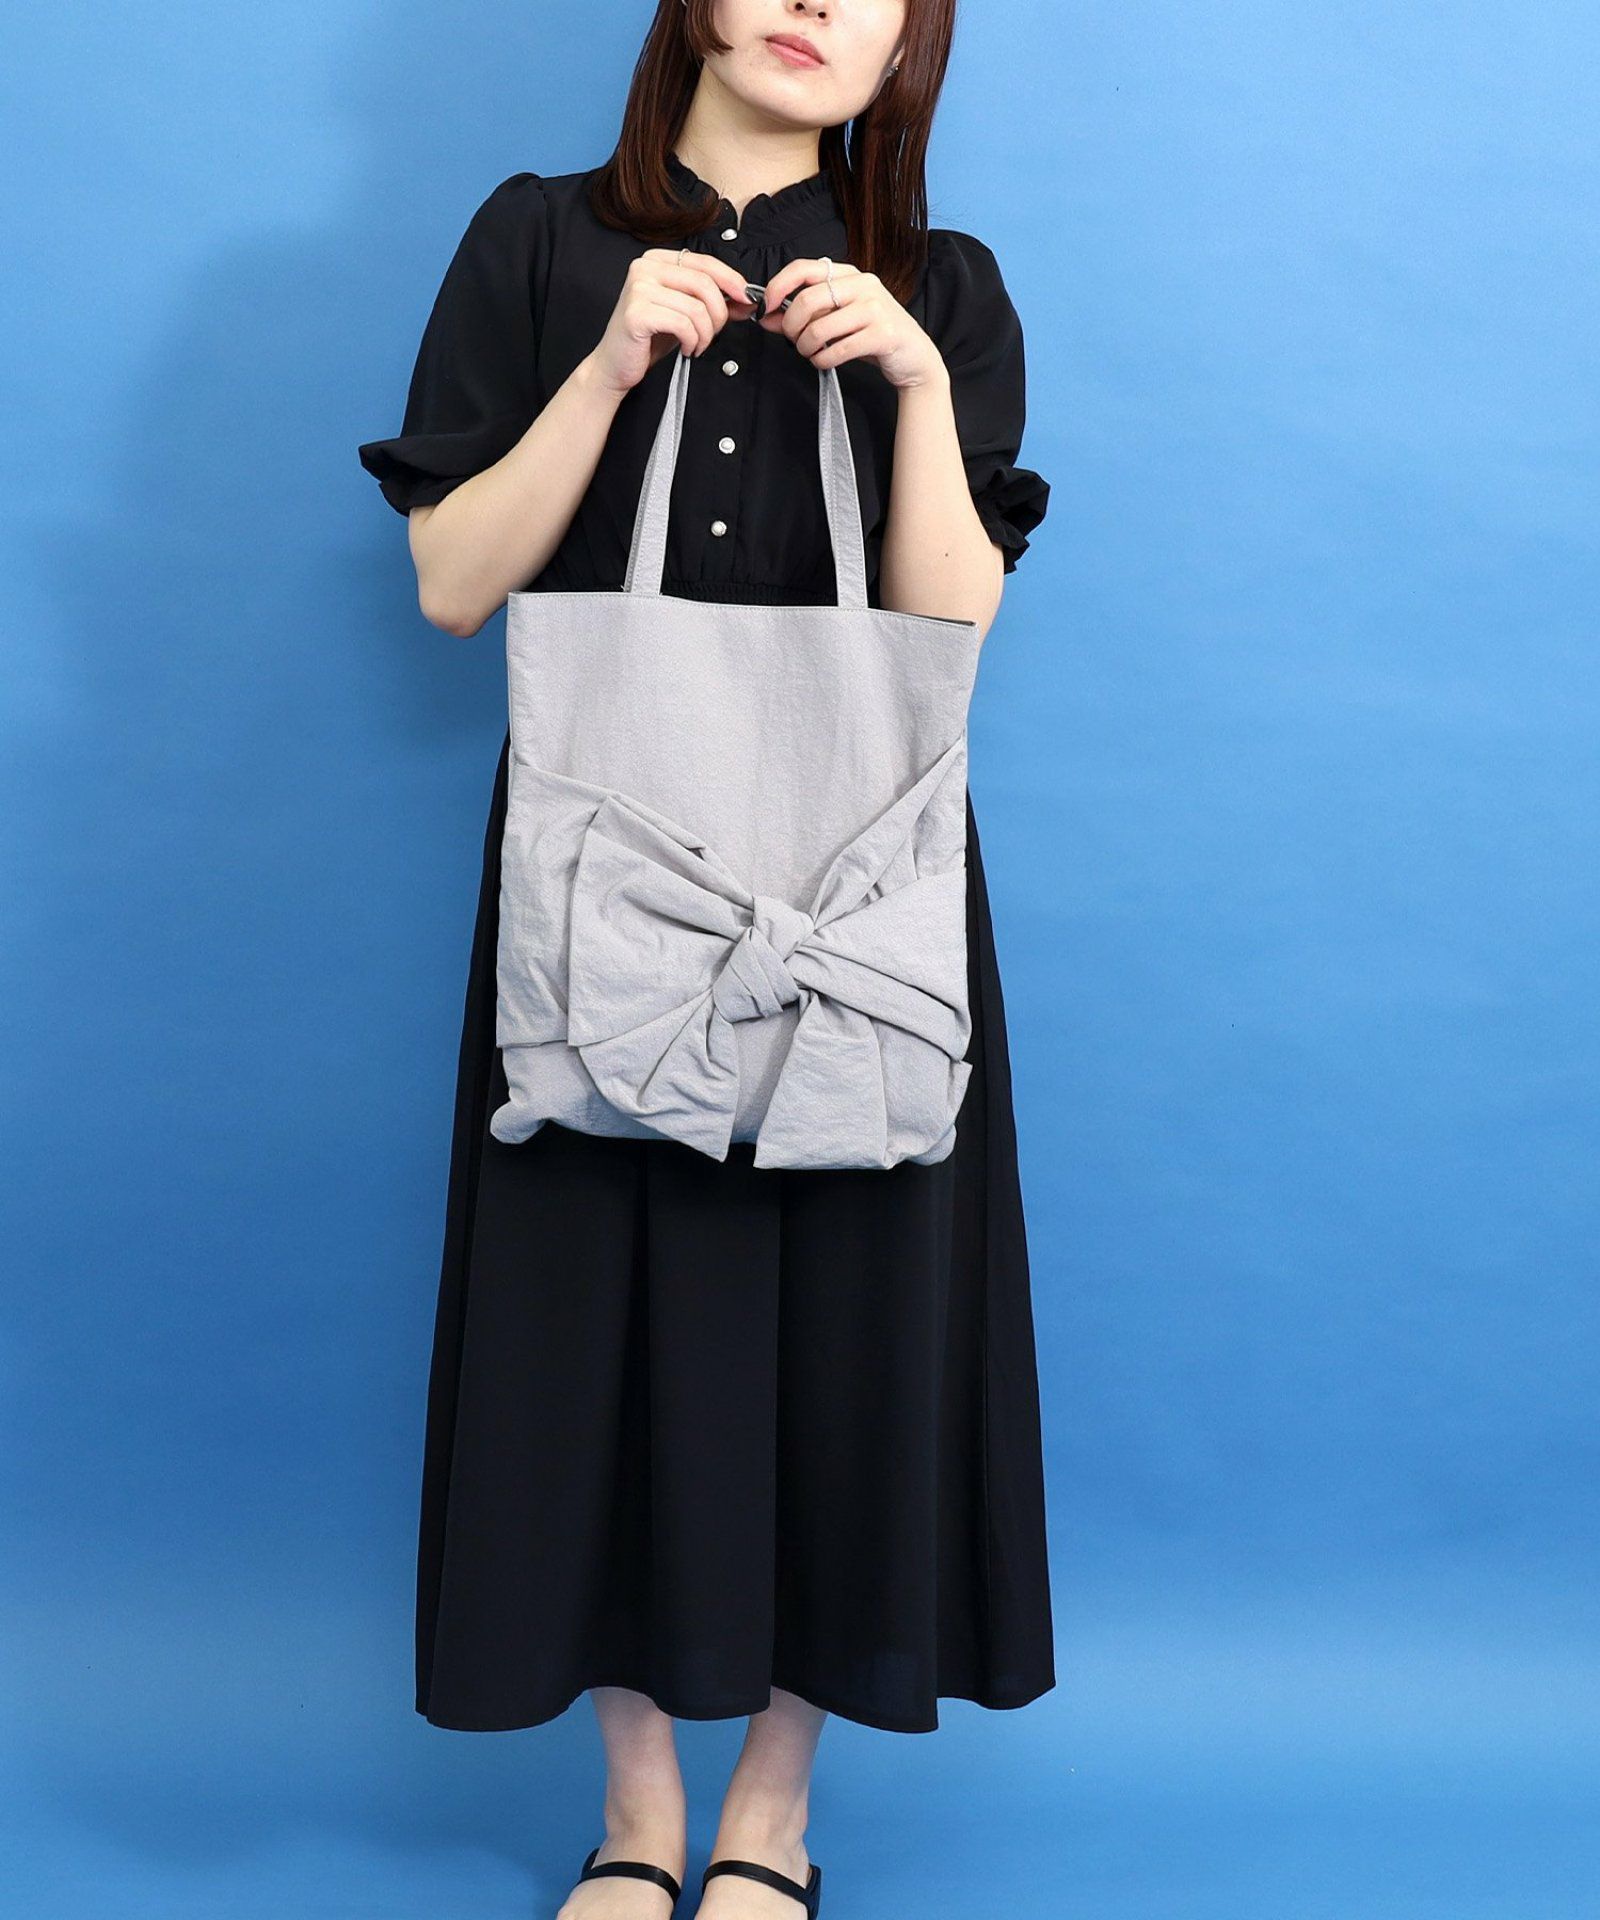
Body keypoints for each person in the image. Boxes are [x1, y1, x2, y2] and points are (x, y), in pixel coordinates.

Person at [356, 3, 1055, 1914]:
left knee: (858, 1320)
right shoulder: (537, 235)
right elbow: (449, 585)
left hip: (858, 881)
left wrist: (917, 388)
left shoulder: (942, 284)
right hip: (609, 878)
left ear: (912, 42)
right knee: (587, 1309)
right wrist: (602, 371)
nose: (820, 2)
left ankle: (773, 1824)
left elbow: (949, 630)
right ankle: (637, 1817)